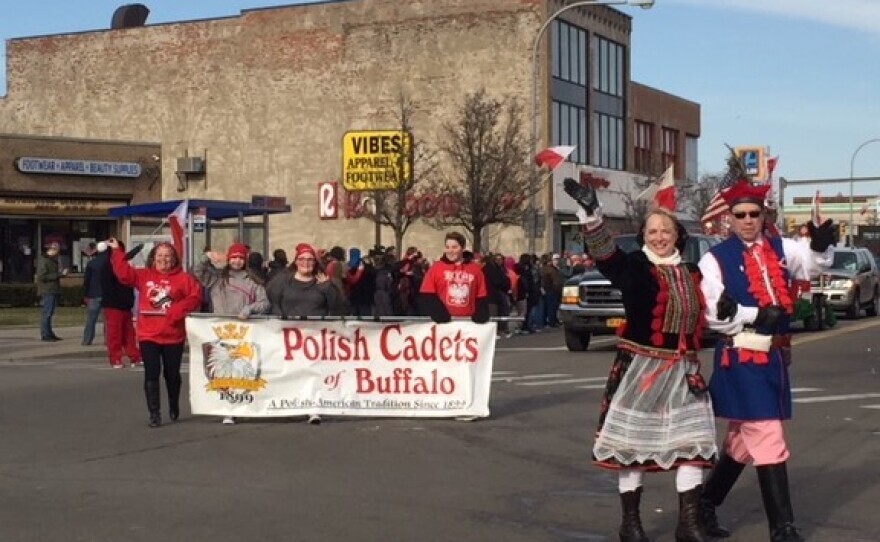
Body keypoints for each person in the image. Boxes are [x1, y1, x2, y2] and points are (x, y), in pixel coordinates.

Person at [563, 178, 717, 542]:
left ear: (678, 235)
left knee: (691, 445)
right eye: (652, 231)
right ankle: (630, 524)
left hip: (684, 370)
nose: (659, 236)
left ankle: (689, 524)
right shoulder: (635, 266)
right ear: (644, 236)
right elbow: (606, 257)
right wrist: (592, 214)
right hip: (642, 370)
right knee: (632, 449)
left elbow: (714, 312)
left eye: (666, 230)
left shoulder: (692, 272)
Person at [697, 180, 835, 542]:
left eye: (753, 214)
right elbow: (713, 313)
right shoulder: (714, 258)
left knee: (743, 443)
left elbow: (812, 266)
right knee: (767, 433)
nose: (746, 220)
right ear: (728, 218)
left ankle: (702, 506)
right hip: (739, 356)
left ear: (763, 215)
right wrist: (755, 313)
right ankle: (782, 528)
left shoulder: (779, 247)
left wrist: (819, 246)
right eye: (739, 215)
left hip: (773, 357)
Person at [107, 239, 202, 428]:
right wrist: (117, 252)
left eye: (167, 256)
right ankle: (154, 413)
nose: (163, 259)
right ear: (153, 258)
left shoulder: (184, 278)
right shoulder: (144, 275)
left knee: (172, 374)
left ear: (174, 258)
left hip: (173, 335)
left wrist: (179, 309)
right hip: (148, 334)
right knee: (152, 373)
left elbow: (196, 296)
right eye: (160, 255)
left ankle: (173, 404)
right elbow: (123, 274)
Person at [196, 242, 271, 425]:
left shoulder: (253, 281)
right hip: (220, 331)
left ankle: (243, 404)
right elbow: (196, 270)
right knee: (224, 374)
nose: (236, 261)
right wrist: (208, 257)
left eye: (240, 258)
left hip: (244, 331)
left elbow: (265, 303)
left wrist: (250, 309)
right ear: (228, 259)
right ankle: (227, 408)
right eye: (233, 257)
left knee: (243, 373)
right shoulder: (216, 279)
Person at [266, 242, 338, 425]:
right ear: (295, 261)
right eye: (302, 259)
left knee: (313, 373)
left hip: (315, 337)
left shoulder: (323, 280)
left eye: (310, 259)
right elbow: (271, 301)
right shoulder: (283, 280)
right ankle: (290, 404)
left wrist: (328, 288)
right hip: (289, 336)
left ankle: (313, 408)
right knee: (290, 372)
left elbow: (339, 307)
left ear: (315, 262)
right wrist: (278, 315)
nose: (306, 263)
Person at [100, 240, 143, 369]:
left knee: (129, 334)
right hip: (113, 304)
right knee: (115, 334)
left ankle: (135, 357)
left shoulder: (122, 265)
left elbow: (124, 259)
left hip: (125, 304)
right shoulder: (107, 265)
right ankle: (115, 358)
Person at [37, 242, 68, 341]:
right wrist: (58, 274)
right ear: (52, 249)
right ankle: (45, 334)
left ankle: (50, 333)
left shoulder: (53, 260)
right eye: (57, 250)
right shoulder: (44, 260)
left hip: (53, 289)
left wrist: (62, 274)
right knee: (47, 312)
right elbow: (42, 276)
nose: (58, 252)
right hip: (47, 290)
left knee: (50, 313)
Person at [81, 242, 107, 346]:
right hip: (107, 294)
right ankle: (108, 340)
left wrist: (85, 294)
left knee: (91, 319)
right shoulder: (110, 262)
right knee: (107, 320)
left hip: (93, 294)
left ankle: (87, 340)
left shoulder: (92, 263)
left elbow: (87, 280)